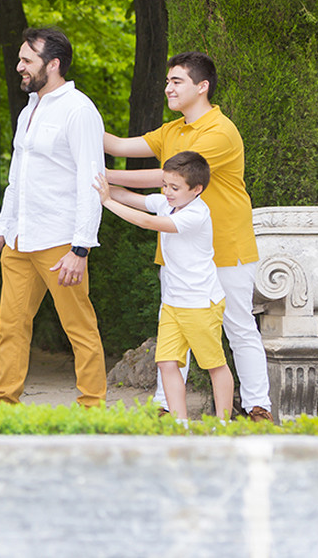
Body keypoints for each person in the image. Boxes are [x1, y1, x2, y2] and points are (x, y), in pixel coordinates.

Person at [103, 51, 272, 422]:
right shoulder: (171, 130)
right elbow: (116, 145)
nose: (168, 88)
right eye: (167, 81)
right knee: (176, 326)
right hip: (180, 253)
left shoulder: (220, 131)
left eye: (176, 81)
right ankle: (167, 408)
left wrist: (105, 178)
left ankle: (259, 406)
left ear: (202, 86)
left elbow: (165, 177)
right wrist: (76, 121)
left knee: (238, 328)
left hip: (227, 248)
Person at [0, 27, 106, 407]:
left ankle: (92, 408)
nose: (19, 67)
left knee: (79, 327)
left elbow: (90, 182)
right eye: (19, 60)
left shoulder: (79, 110)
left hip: (61, 242)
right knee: (10, 327)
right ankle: (4, 404)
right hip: (19, 242)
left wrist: (80, 248)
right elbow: (17, 182)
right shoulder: (29, 110)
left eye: (27, 60)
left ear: (54, 64)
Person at [95, 152, 234, 422]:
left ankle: (224, 425)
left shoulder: (196, 214)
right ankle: (180, 426)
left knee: (214, 366)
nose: (167, 192)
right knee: (167, 363)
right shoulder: (167, 203)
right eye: (165, 185)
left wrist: (106, 202)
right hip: (172, 302)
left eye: (175, 188)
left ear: (197, 189)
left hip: (200, 303)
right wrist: (97, 184)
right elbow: (128, 197)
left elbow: (147, 222)